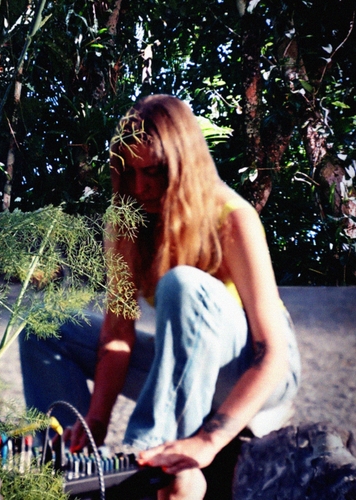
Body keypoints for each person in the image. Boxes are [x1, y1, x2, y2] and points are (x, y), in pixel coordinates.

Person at [20, 95, 301, 499]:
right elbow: (117, 335)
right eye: (129, 172)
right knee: (44, 329)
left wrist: (208, 442)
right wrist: (96, 421)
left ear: (183, 164)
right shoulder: (126, 222)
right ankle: (69, 467)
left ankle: (149, 459)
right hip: (187, 364)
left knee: (182, 284)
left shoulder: (233, 217)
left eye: (153, 170)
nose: (141, 187)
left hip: (254, 372)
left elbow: (272, 355)